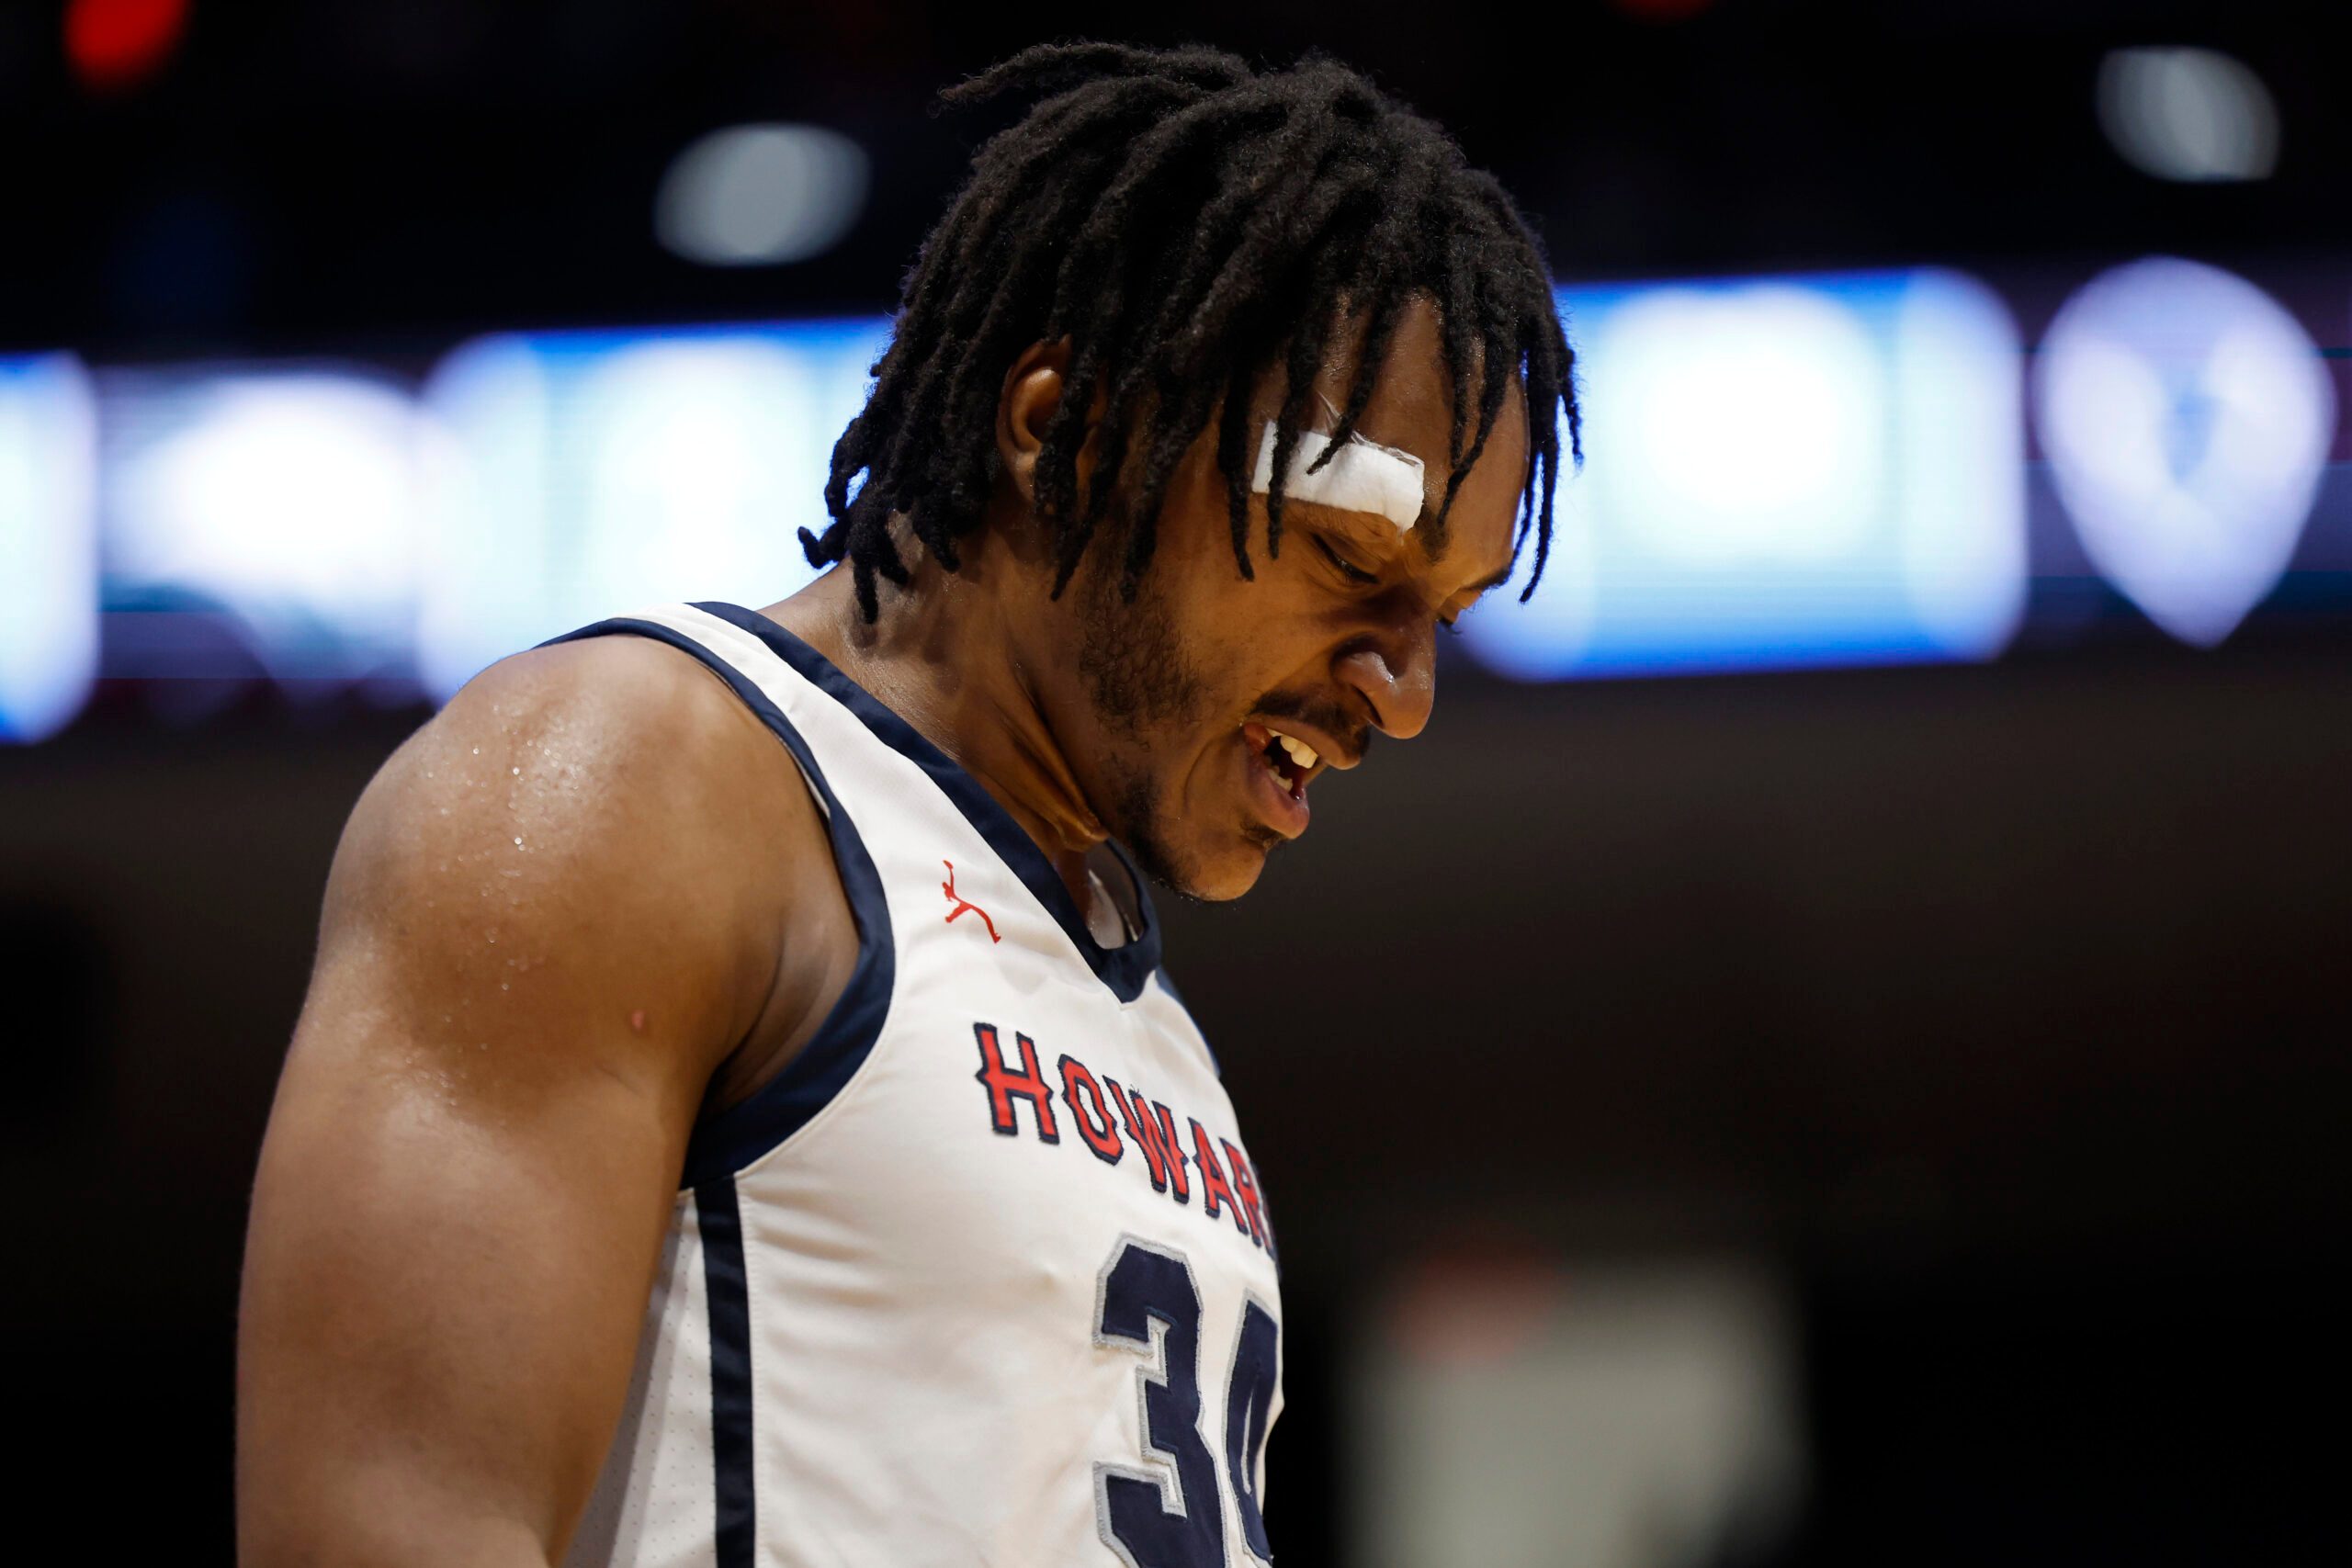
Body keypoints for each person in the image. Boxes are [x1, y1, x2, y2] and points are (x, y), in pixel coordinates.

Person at [237, 40, 1577, 1568]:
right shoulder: (637, 779)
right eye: (1351, 561)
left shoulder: (1148, 1029)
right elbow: (383, 1530)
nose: (1403, 693)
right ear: (1064, 433)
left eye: (1444, 616)